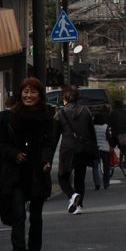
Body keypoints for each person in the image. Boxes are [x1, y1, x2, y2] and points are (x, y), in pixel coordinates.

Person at [0, 77, 56, 251]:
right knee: (18, 214)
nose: (28, 95)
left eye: (33, 92)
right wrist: (14, 154)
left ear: (40, 95)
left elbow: (49, 143)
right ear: (20, 94)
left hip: (37, 171)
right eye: (25, 91)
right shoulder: (7, 117)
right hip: (15, 172)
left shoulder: (47, 118)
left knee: (36, 217)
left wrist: (46, 160)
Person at [55, 86, 98, 215]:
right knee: (80, 178)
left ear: (65, 98)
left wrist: (48, 156)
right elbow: (92, 132)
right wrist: (95, 150)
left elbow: (54, 136)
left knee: (63, 177)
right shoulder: (86, 111)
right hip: (83, 148)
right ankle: (78, 206)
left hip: (67, 149)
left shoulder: (60, 113)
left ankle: (72, 195)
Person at [91, 111, 111, 190]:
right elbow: (108, 138)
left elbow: (91, 138)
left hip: (96, 149)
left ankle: (97, 183)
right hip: (105, 149)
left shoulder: (93, 127)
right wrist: (111, 144)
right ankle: (106, 182)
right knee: (106, 166)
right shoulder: (106, 126)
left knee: (95, 167)